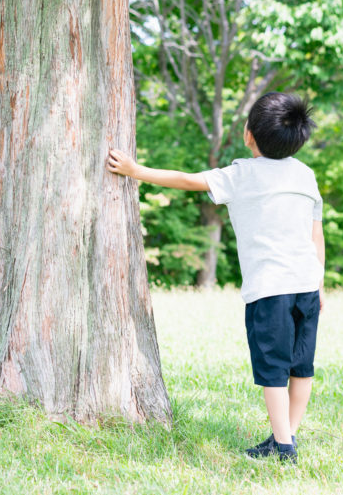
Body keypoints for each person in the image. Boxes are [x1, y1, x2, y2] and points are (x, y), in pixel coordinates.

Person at [106, 92, 325, 464]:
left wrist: (135, 171)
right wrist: (320, 285)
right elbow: (315, 232)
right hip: (307, 285)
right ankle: (288, 434)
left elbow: (187, 180)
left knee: (272, 369)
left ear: (248, 134)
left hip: (270, 289)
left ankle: (283, 446)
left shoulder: (242, 173)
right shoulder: (305, 175)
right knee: (300, 366)